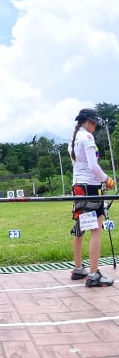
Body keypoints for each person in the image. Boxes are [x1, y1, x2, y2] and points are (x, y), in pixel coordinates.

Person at [69, 108, 116, 287]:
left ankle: (79, 268)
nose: (95, 126)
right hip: (90, 188)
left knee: (80, 227)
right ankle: (93, 274)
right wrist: (107, 179)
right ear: (87, 121)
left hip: (79, 187)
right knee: (95, 229)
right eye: (93, 123)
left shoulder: (73, 138)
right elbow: (93, 166)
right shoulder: (87, 137)